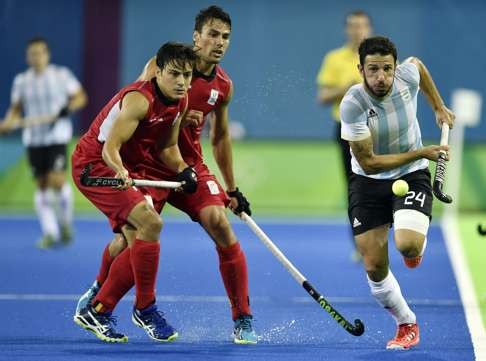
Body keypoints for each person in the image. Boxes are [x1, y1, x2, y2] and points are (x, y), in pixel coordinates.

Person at [75, 6, 258, 344]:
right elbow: (140, 111)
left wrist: (230, 188)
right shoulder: (162, 69)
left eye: (226, 37)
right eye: (213, 34)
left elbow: (219, 137)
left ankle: (243, 318)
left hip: (184, 165)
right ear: (197, 36)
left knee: (219, 222)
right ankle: (102, 299)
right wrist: (122, 169)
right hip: (143, 164)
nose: (219, 43)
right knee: (130, 239)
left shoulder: (223, 86)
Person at [72, 42, 198, 343]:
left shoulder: (179, 101)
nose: (181, 82)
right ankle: (144, 307)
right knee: (150, 224)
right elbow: (110, 149)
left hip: (124, 168)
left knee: (132, 243)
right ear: (159, 72)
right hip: (95, 166)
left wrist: (184, 169)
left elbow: (167, 147)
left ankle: (98, 307)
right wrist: (120, 171)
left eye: (187, 75)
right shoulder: (139, 100)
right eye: (174, 74)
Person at [340, 36, 454, 350]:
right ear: (361, 69)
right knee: (374, 266)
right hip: (369, 180)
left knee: (407, 246)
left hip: (411, 174)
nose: (381, 77)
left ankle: (412, 249)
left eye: (387, 69)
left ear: (394, 67)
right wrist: (419, 152)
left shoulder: (408, 74)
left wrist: (438, 106)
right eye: (373, 70)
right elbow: (369, 162)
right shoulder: (353, 104)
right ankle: (406, 323)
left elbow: (417, 65)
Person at [0, 37, 87, 248]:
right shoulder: (21, 80)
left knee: (57, 181)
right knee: (42, 186)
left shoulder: (61, 75)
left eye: (40, 53)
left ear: (47, 54)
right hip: (33, 139)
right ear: (27, 57)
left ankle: (66, 224)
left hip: (56, 136)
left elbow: (80, 97)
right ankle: (50, 232)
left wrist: (67, 108)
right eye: (32, 54)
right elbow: (16, 108)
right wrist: (8, 122)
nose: (36, 57)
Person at [316, 11, 372, 262]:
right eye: (352, 26)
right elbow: (322, 97)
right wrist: (346, 87)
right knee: (355, 187)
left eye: (361, 26)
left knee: (383, 183)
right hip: (346, 130)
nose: (357, 31)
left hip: (377, 128)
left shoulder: (379, 57)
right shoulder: (334, 58)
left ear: (368, 28)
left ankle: (383, 237)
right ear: (346, 30)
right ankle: (361, 244)